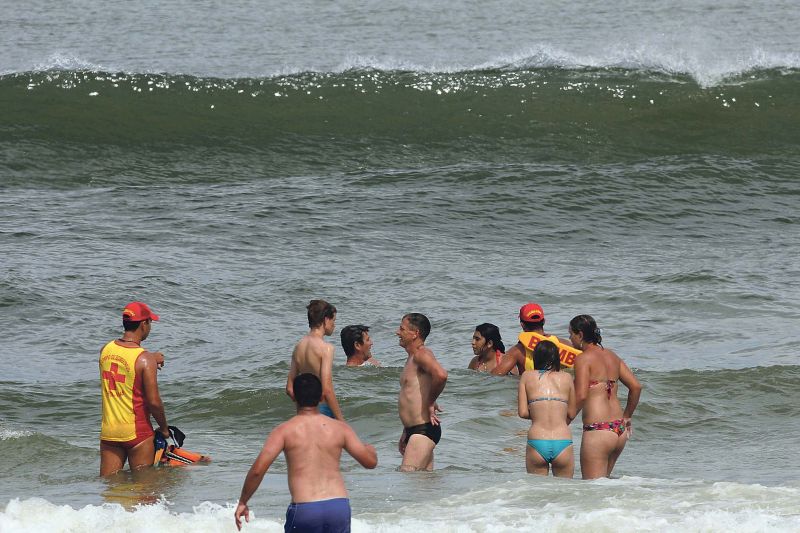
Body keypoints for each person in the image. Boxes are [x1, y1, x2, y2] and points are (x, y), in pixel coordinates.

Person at [235, 373, 377, 532]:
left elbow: (257, 471)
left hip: (305, 509)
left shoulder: (284, 431)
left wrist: (243, 502)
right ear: (322, 396)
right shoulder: (340, 428)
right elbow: (370, 462)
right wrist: (370, 449)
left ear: (294, 396)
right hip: (338, 507)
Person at [99, 301, 169, 476]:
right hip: (138, 433)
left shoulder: (105, 350)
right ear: (144, 324)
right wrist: (164, 428)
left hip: (110, 433)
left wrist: (151, 358)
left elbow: (125, 362)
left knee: (110, 492)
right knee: (144, 494)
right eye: (150, 322)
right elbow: (154, 402)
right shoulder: (145, 360)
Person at [570, 315, 642, 479]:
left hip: (598, 430)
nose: (570, 338)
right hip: (619, 429)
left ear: (580, 335)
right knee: (604, 489)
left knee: (593, 492)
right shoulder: (612, 356)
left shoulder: (583, 359)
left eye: (571, 334)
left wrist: (565, 420)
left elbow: (581, 395)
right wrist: (627, 416)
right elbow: (636, 387)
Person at [396, 313, 448, 471]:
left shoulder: (421, 354)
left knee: (407, 475)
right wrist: (406, 430)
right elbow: (413, 396)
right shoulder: (411, 358)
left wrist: (431, 402)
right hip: (415, 430)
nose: (397, 332)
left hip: (423, 430)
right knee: (423, 489)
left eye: (402, 329)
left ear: (415, 333)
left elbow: (441, 375)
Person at [518, 340, 577, 477]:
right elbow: (572, 413)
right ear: (557, 358)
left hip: (537, 440)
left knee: (538, 492)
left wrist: (539, 412)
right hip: (563, 440)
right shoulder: (567, 377)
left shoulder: (527, 376)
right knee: (566, 491)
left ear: (536, 358)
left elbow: (522, 412)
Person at [286, 299, 344, 420]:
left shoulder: (298, 346)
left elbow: (289, 389)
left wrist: (303, 408)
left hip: (303, 413)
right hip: (322, 410)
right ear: (326, 320)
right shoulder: (326, 348)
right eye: (334, 320)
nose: (334, 325)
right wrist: (341, 421)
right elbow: (327, 390)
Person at [492, 303, 572, 376]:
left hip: (532, 388)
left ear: (522, 325)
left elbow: (495, 376)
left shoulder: (517, 351)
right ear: (544, 321)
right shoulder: (565, 344)